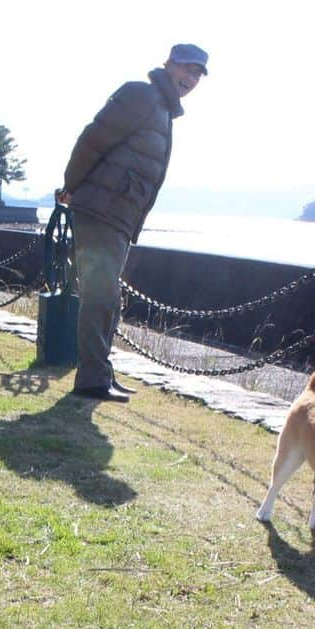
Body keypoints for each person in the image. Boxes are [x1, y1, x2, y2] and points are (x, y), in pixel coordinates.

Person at [57, 43, 208, 402]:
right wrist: (71, 186)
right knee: (99, 295)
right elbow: (93, 139)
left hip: (119, 216)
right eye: (186, 69)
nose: (190, 78)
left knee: (110, 298)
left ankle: (101, 371)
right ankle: (91, 379)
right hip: (100, 210)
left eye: (197, 74)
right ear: (168, 64)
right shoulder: (141, 95)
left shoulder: (162, 111)